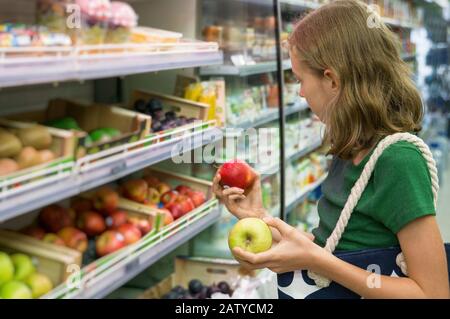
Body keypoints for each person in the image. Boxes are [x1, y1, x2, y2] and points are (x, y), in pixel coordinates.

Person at [212, 0, 449, 298]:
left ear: (333, 80)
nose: (298, 91)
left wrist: (317, 261)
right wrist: (257, 217)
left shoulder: (397, 159)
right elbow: (337, 243)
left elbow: (433, 292)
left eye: (300, 79)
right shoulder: (351, 146)